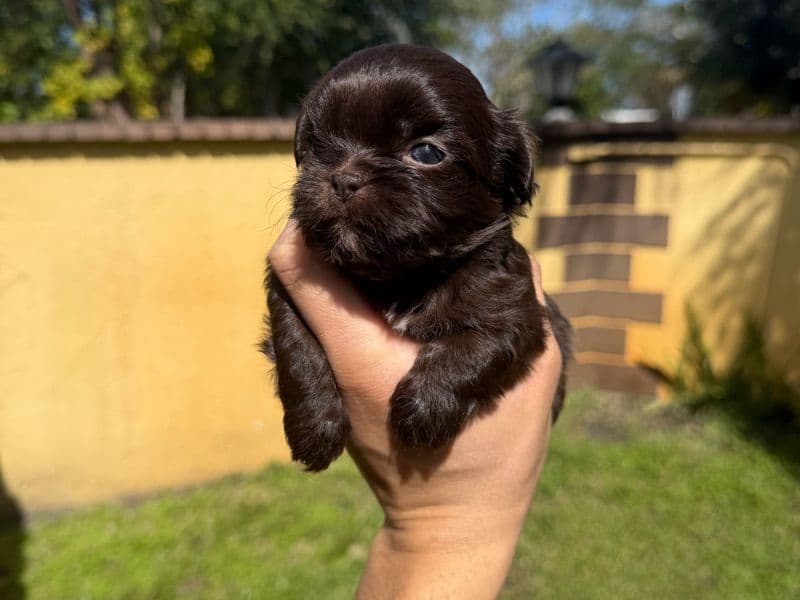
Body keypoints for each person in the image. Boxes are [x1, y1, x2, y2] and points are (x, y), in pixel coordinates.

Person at [269, 221, 563, 599]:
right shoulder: (322, 253)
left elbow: (505, 325)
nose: (346, 174)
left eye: (426, 156)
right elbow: (293, 301)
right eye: (320, 157)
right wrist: (312, 399)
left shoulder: (484, 272)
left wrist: (438, 512)